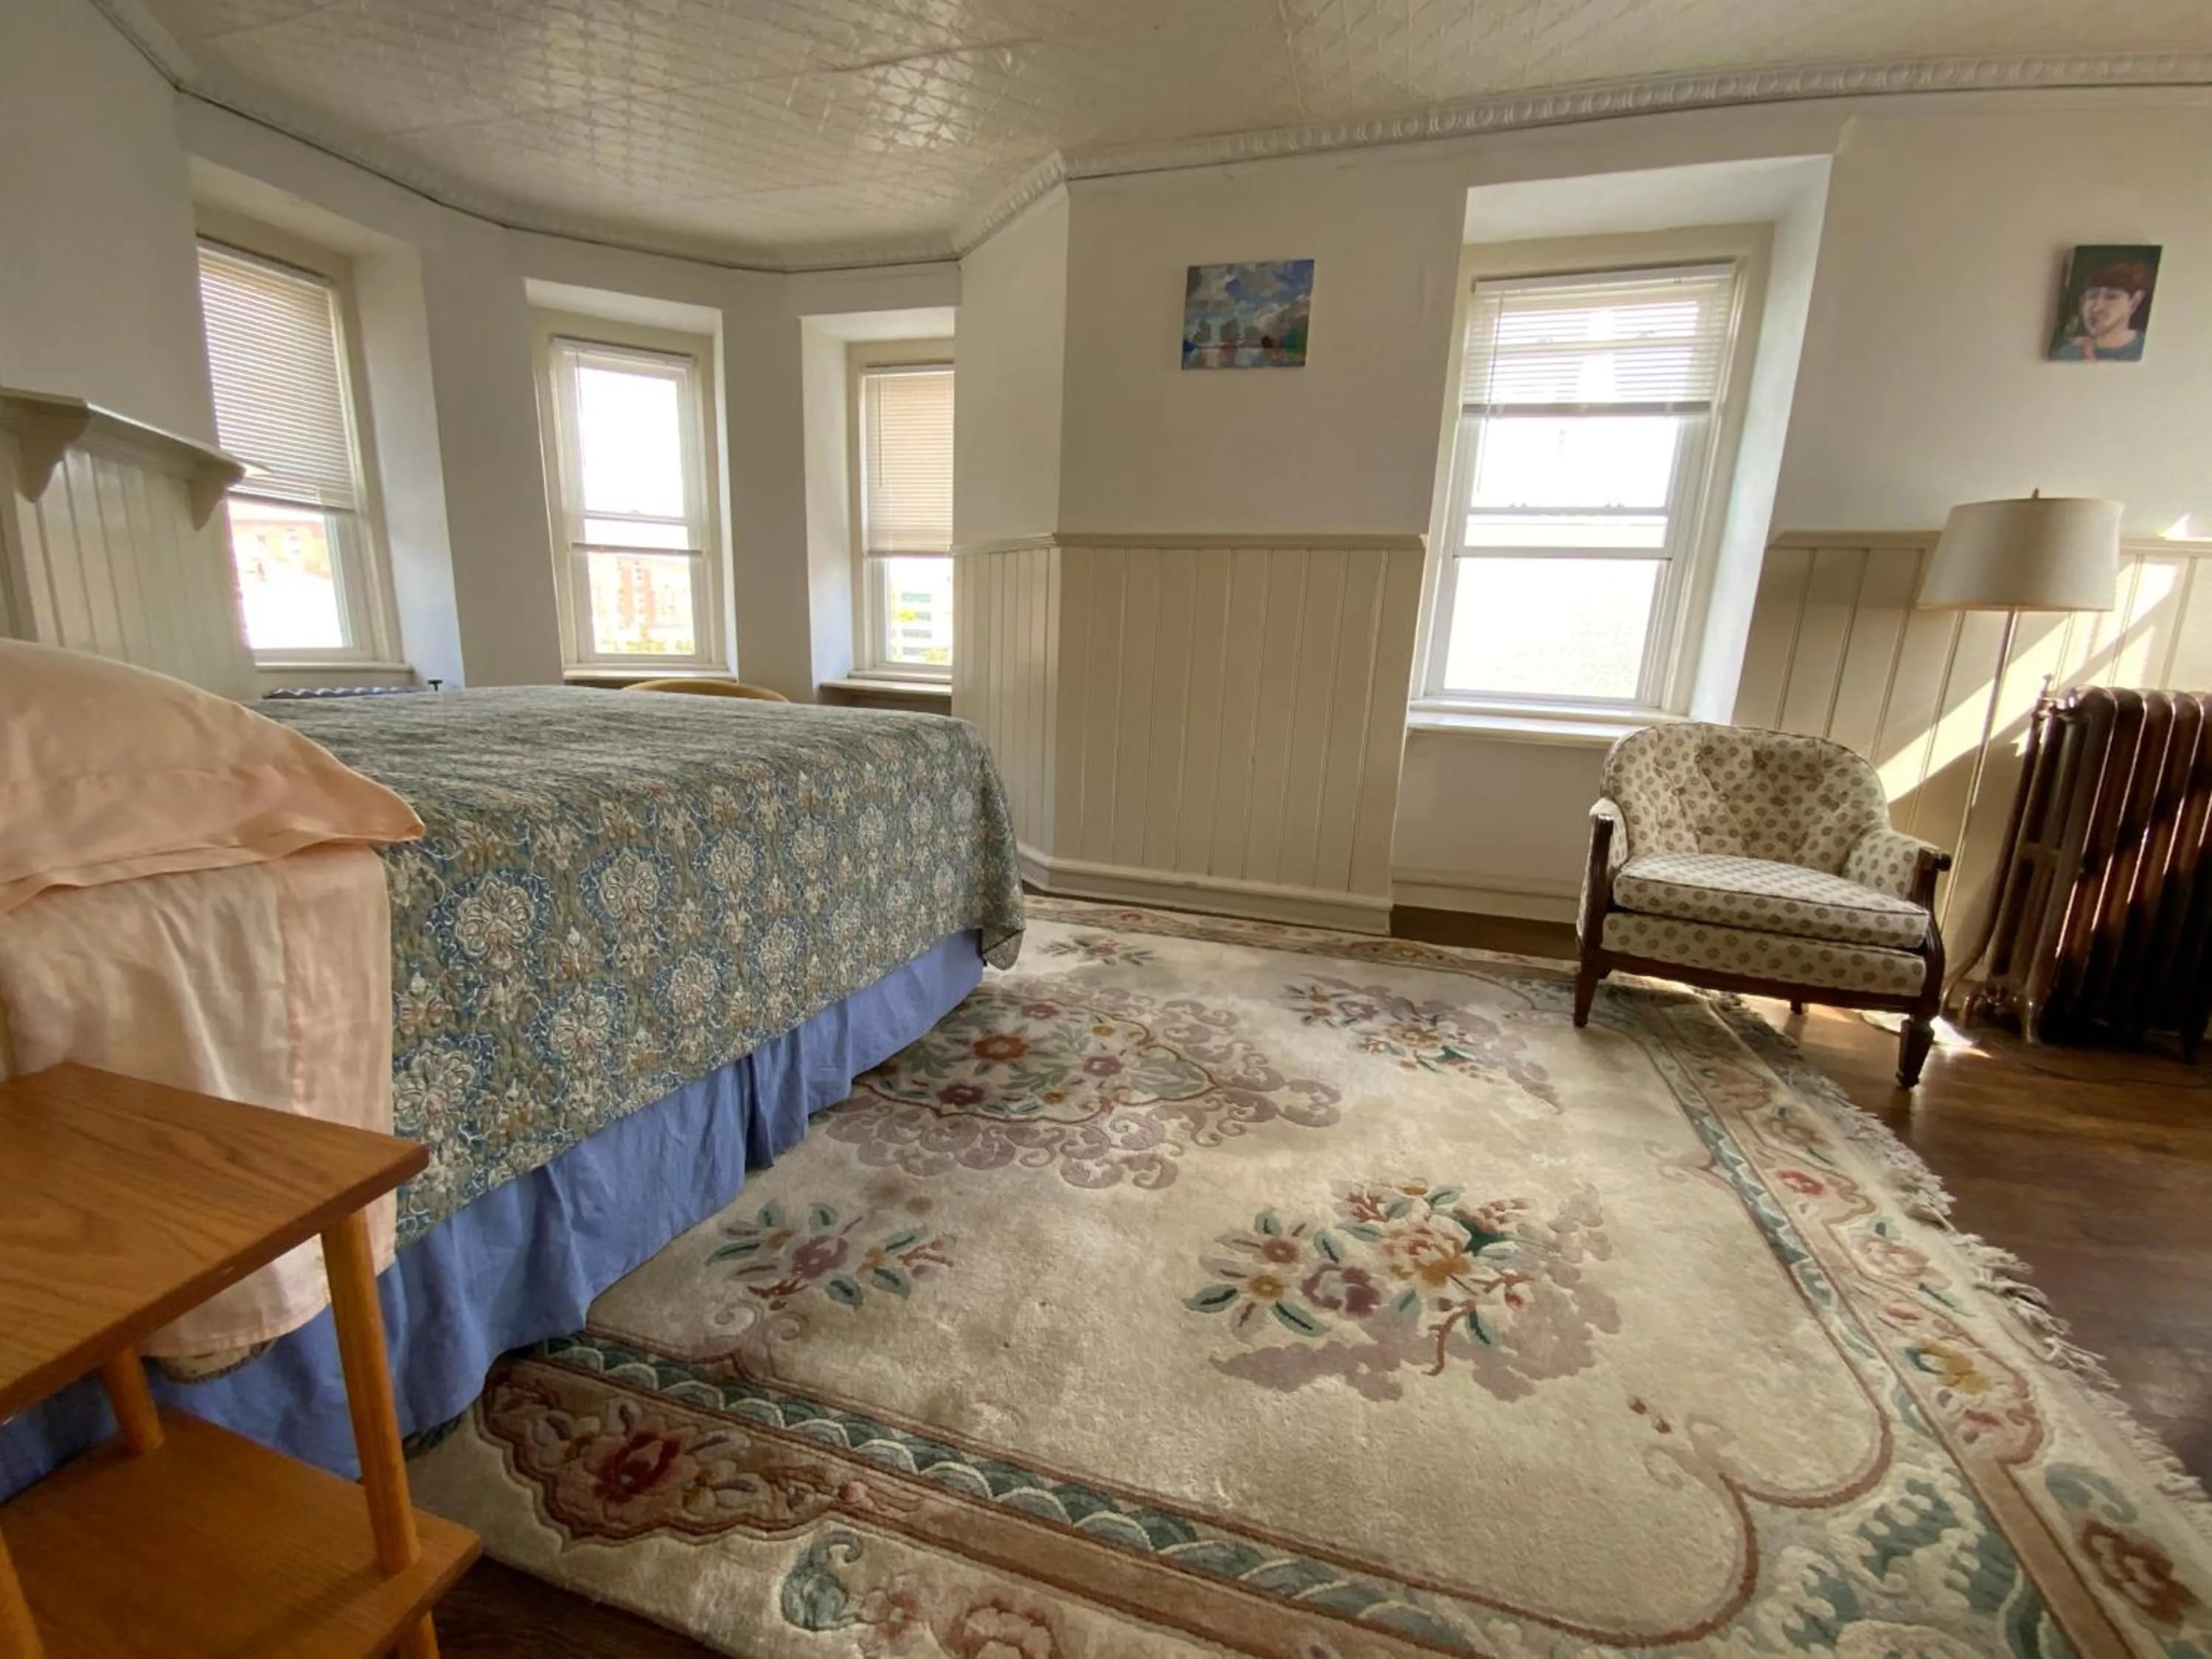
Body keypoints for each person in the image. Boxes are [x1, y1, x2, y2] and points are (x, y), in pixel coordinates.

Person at [2052, 260, 2153, 361]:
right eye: (2092, 296)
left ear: (2135, 302)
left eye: (2111, 297)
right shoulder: (2067, 353)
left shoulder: (2149, 350)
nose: (2096, 308)